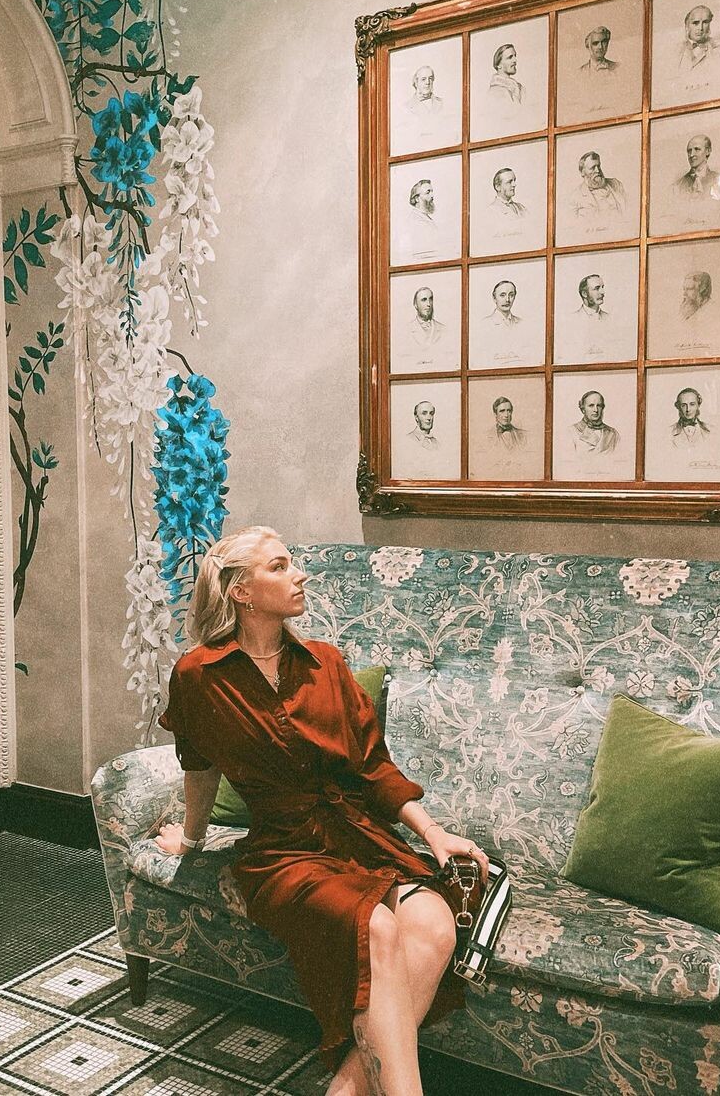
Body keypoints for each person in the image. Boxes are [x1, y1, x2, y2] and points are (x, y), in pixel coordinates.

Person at [156, 527, 489, 1096]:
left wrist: (434, 833)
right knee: (376, 925)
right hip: (284, 852)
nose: (299, 575)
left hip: (358, 836)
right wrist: (189, 839)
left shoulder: (325, 664)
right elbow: (199, 766)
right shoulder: (200, 676)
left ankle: (346, 1089)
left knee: (435, 924)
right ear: (241, 591)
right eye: (280, 566)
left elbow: (373, 766)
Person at [672, 134, 720, 207]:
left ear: (708, 151)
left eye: (697, 149)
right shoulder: (677, 186)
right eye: (689, 151)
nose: (691, 155)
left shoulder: (719, 181)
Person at [572, 151, 626, 221]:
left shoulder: (616, 184)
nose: (597, 170)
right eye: (592, 168)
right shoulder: (576, 196)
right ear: (582, 172)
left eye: (598, 166)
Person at [571, 389, 619, 456]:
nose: (596, 410)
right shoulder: (572, 431)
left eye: (599, 405)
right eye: (591, 405)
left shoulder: (613, 433)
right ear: (583, 409)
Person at [677, 5, 720, 74]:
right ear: (687, 26)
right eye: (695, 23)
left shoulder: (718, 48)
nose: (700, 28)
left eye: (705, 22)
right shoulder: (676, 49)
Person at [408, 286, 444, 351]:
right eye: (424, 300)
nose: (428, 304)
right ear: (415, 304)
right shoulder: (407, 329)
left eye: (430, 299)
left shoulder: (443, 329)